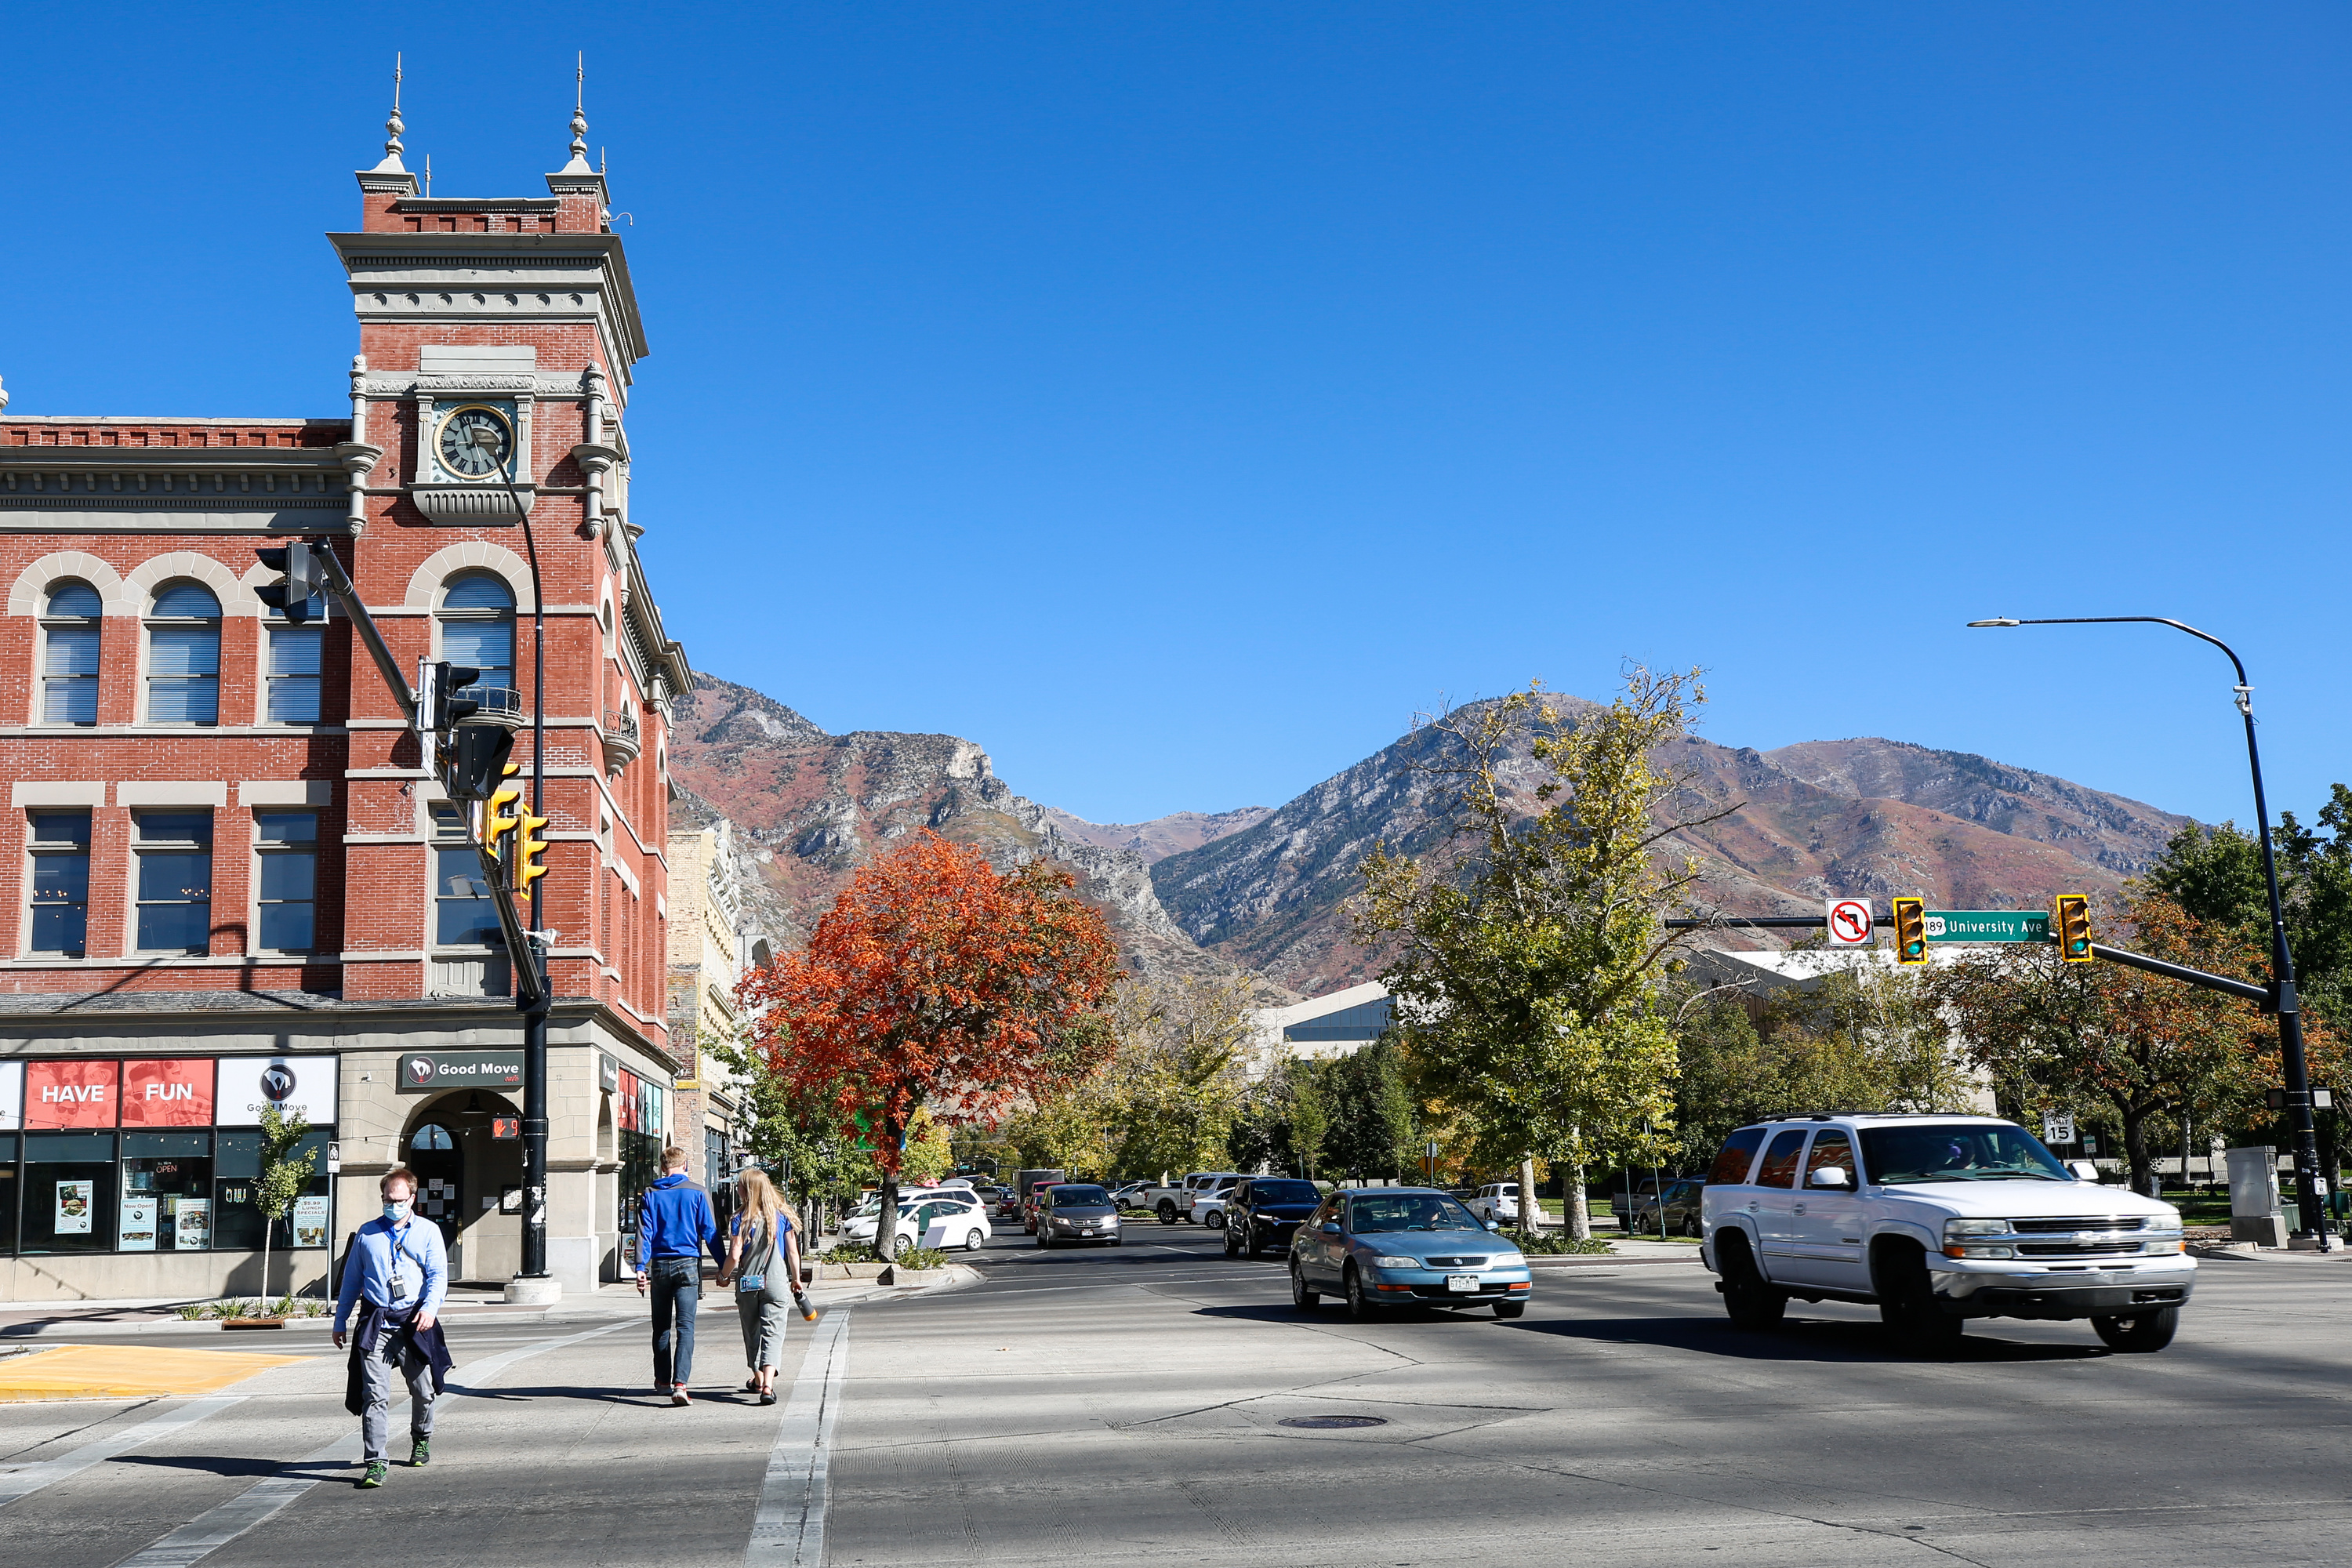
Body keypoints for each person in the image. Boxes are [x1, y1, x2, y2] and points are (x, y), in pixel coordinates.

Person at [334, 1167, 452, 1489]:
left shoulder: (427, 1232)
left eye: (400, 1200)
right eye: (388, 1199)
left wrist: (429, 1309)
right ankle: (375, 1461)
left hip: (413, 1324)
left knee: (424, 1391)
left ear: (413, 1198)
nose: (393, 1205)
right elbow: (351, 1281)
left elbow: (438, 1276)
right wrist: (340, 1320)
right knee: (375, 1396)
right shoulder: (367, 1234)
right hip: (376, 1324)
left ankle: (421, 1437)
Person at [717, 1167, 812, 1404]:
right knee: (773, 1332)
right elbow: (792, 1251)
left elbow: (735, 1256)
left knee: (752, 1332)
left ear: (747, 1191)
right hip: (776, 1282)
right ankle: (767, 1386)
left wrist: (723, 1276)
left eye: (739, 1185)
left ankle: (757, 1375)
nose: (737, 1188)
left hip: (748, 1283)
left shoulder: (740, 1219)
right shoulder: (782, 1216)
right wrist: (796, 1278)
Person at [636, 1145, 720, 1406]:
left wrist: (640, 1268)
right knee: (686, 1328)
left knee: (660, 1328)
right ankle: (680, 1385)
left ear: (663, 1167)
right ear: (685, 1165)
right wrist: (724, 1267)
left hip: (660, 1265)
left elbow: (644, 1234)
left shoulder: (650, 1194)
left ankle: (662, 1381)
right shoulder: (698, 1193)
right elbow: (711, 1233)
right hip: (687, 1264)